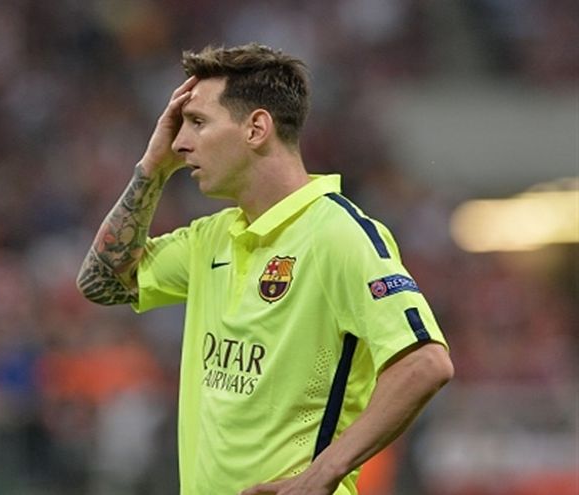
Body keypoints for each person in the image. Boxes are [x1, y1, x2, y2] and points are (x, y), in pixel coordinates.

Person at [76, 43, 453, 495]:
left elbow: (425, 363)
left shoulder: (338, 234)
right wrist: (152, 169)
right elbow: (102, 281)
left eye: (198, 122)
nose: (178, 142)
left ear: (256, 128)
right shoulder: (212, 237)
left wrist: (323, 473)